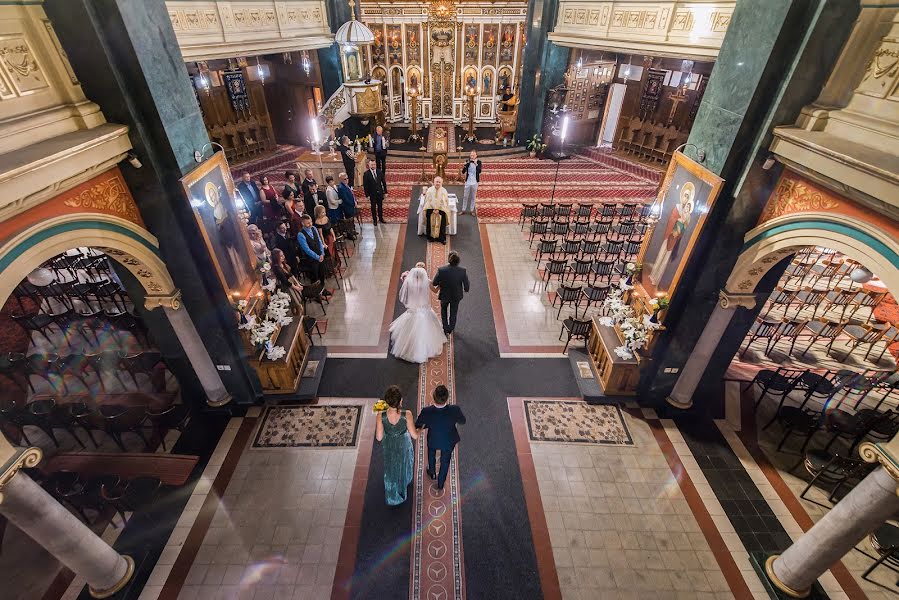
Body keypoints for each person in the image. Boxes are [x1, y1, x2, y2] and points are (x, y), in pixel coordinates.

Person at [389, 262, 447, 363]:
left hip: (414, 309)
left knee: (409, 329)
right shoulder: (427, 281)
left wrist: (404, 277)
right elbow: (435, 290)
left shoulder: (409, 281)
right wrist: (441, 285)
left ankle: (408, 346)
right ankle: (420, 348)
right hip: (424, 308)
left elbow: (405, 290)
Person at [415, 385, 465, 490]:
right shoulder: (454, 409)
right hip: (448, 440)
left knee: (431, 453)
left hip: (433, 439)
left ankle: (432, 472)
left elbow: (418, 424)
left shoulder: (427, 411)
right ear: (447, 397)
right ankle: (441, 483)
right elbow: (462, 421)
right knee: (445, 461)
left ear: (433, 396)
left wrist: (428, 424)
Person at [376, 385, 417, 506]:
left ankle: (392, 490)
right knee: (404, 461)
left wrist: (388, 430)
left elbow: (378, 437)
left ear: (386, 401)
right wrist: (419, 430)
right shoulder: (407, 414)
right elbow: (414, 435)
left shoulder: (381, 415)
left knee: (391, 464)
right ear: (401, 401)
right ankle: (405, 479)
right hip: (403, 443)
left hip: (389, 443)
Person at [432, 250, 469, 336]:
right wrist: (465, 290)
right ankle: (450, 328)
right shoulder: (462, 271)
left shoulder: (441, 270)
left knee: (443, 310)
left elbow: (434, 283)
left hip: (444, 295)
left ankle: (445, 328)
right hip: (456, 296)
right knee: (454, 312)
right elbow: (466, 286)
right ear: (458, 260)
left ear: (449, 259)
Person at [296, 214, 332, 295]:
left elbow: (319, 241)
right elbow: (307, 249)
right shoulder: (301, 234)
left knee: (322, 274)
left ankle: (323, 290)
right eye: (308, 223)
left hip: (320, 256)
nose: (310, 224)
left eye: (311, 222)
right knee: (315, 277)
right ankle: (316, 293)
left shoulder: (314, 228)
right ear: (303, 223)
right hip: (311, 259)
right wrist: (317, 257)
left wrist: (322, 253)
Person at [422, 176, 450, 244]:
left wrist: (439, 210)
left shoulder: (444, 191)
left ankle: (442, 238)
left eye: (439, 182)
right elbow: (427, 201)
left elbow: (445, 202)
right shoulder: (429, 190)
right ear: (433, 182)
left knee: (442, 225)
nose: (438, 183)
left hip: (441, 211)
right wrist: (433, 209)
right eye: (436, 182)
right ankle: (430, 237)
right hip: (431, 210)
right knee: (430, 224)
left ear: (442, 183)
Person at [363, 159, 387, 225]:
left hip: (380, 193)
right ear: (369, 165)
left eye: (374, 164)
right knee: (373, 207)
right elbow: (365, 186)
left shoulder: (379, 172)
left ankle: (381, 218)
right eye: (371, 164)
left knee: (380, 206)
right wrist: (367, 195)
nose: (373, 166)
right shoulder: (366, 174)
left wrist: (385, 192)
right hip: (372, 194)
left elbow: (383, 182)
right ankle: (375, 220)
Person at [460, 150, 482, 216]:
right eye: (471, 155)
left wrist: (476, 164)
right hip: (468, 181)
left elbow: (479, 171)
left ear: (476, 156)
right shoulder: (467, 161)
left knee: (473, 196)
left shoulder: (479, 162)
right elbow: (463, 172)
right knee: (465, 196)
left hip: (475, 182)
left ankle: (472, 210)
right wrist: (464, 166)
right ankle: (463, 209)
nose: (472, 156)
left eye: (473, 155)